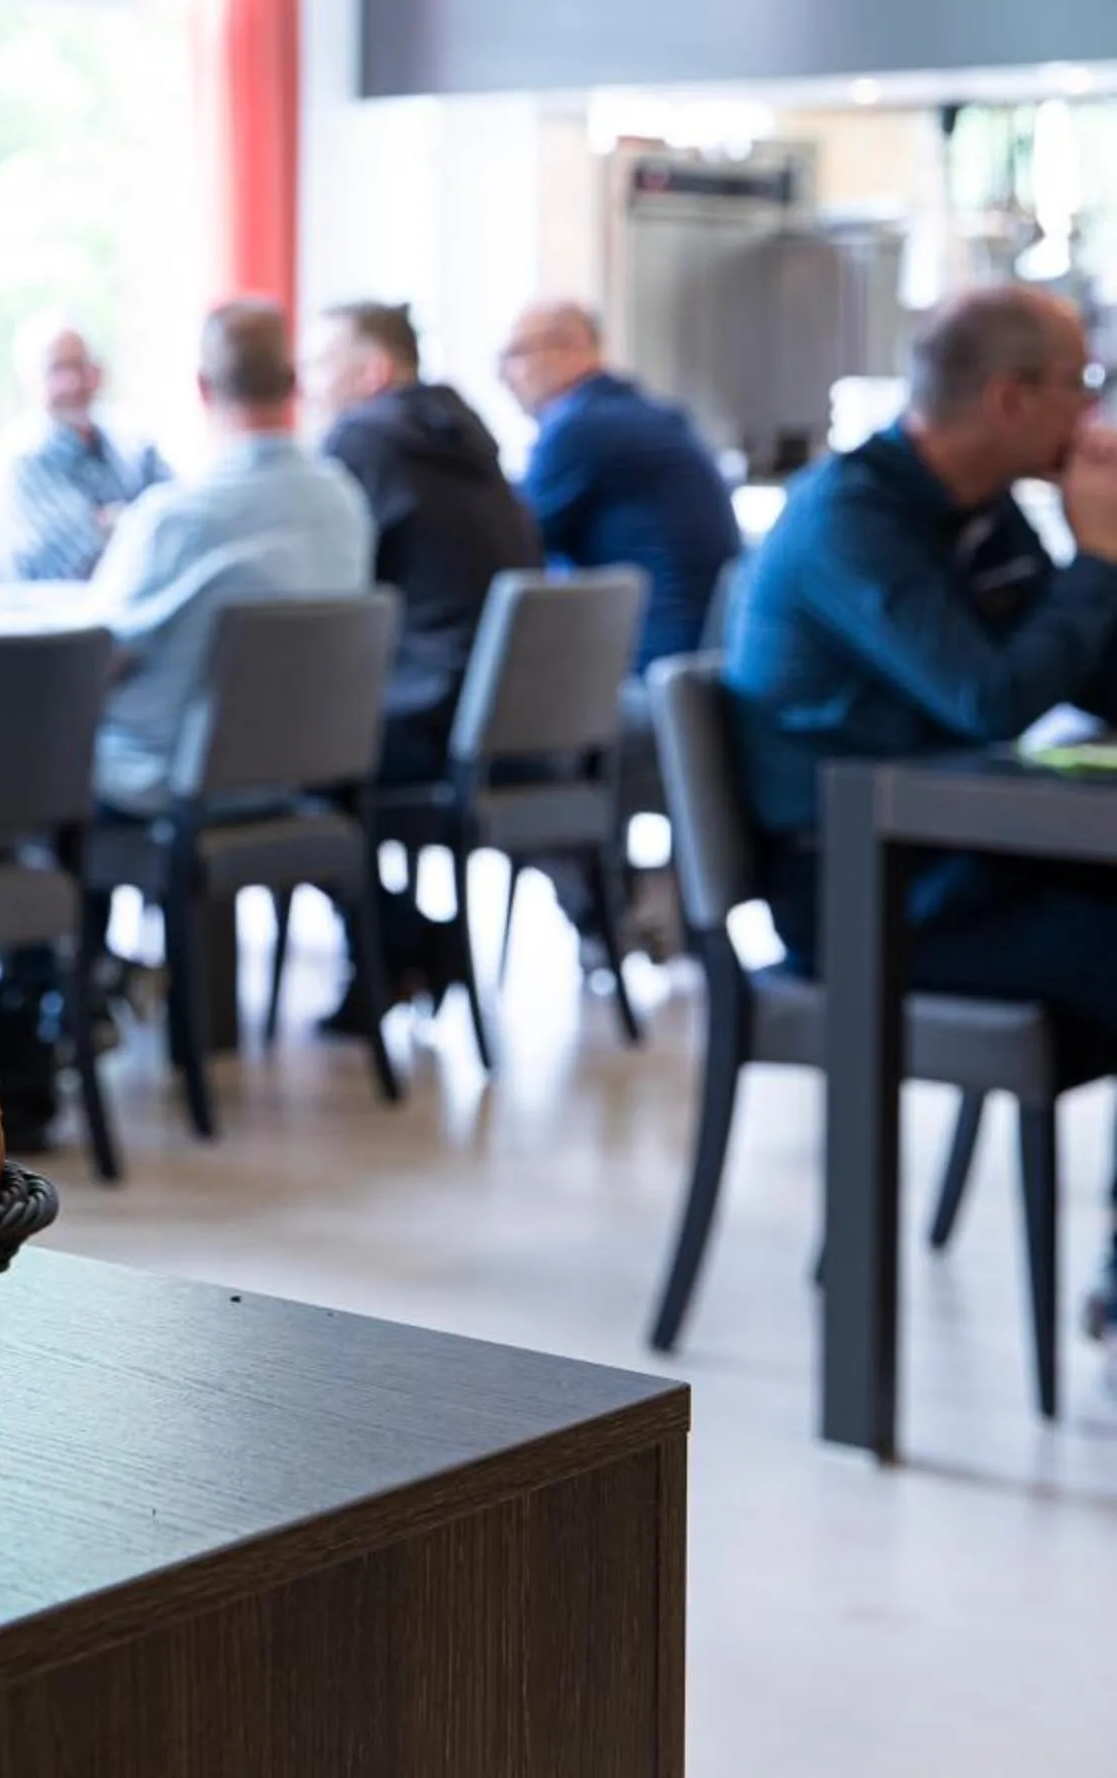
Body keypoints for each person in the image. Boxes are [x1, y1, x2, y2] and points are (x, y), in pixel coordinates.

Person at [725, 282, 1117, 1331]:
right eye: (1081, 387)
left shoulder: (980, 510)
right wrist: (1096, 558)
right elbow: (987, 694)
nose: (1092, 415)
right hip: (851, 892)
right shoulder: (851, 517)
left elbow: (1086, 674)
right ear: (1007, 398)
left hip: (953, 853)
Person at [88, 300, 373, 815]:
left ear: (202, 387)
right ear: (294, 383)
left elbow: (91, 658)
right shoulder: (345, 504)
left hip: (166, 779)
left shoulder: (173, 518)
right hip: (299, 771)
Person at [314, 301, 541, 786]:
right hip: (508, 708)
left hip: (425, 715)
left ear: (373, 371)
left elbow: (325, 587)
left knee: (265, 738)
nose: (310, 384)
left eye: (321, 364)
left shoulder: (361, 441)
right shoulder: (465, 435)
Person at [500, 299, 742, 668]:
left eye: (516, 353)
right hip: (696, 662)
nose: (503, 375)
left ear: (573, 347)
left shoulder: (579, 427)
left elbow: (512, 543)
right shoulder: (644, 413)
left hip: (647, 666)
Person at [0, 311, 171, 584]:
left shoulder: (134, 446)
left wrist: (113, 523)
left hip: (129, 618)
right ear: (29, 380)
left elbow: (187, 527)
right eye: (57, 369)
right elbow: (89, 563)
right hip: (46, 621)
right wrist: (141, 523)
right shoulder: (22, 459)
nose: (74, 383)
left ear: (99, 372)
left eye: (81, 366)